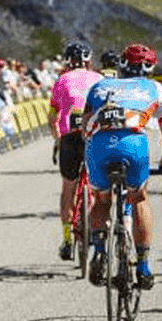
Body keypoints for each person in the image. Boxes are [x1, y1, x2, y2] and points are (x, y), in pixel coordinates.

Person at [82, 43, 162, 290]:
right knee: (139, 198)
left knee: (102, 200)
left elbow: (84, 129)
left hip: (100, 144)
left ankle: (100, 249)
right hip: (133, 145)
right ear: (150, 68)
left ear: (121, 65)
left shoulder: (100, 84)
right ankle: (143, 266)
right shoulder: (155, 88)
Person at [48, 41, 102, 261]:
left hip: (70, 138)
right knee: (101, 189)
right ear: (89, 61)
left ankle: (68, 239)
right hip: (94, 138)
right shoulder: (100, 79)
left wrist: (58, 140)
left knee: (68, 188)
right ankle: (99, 232)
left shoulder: (61, 81)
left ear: (67, 62)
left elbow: (53, 118)